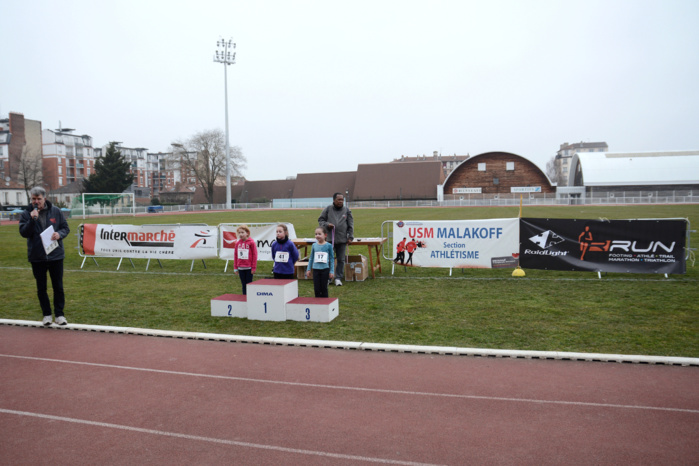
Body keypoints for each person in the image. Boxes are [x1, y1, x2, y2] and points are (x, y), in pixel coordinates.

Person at [19, 186, 70, 326]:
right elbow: (24, 233)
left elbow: (66, 228)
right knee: (41, 288)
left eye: (39, 199)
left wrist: (59, 235)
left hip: (56, 256)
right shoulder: (26, 213)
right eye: (33, 199)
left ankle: (59, 315)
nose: (36, 202)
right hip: (37, 257)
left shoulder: (56, 211)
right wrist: (32, 219)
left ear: (44, 199)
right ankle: (47, 314)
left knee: (58, 286)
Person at [318, 192, 353, 286]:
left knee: (341, 259)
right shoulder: (328, 209)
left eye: (342, 200)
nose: (341, 201)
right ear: (334, 200)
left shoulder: (346, 210)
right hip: (329, 240)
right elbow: (320, 220)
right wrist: (326, 225)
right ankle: (329, 278)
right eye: (339, 199)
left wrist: (350, 237)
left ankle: (338, 278)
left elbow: (350, 225)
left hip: (342, 240)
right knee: (329, 259)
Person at [305, 227, 334, 298]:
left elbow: (332, 259)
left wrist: (331, 271)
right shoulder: (314, 245)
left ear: (325, 235)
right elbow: (311, 257)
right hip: (316, 270)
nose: (317, 236)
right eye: (316, 234)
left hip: (325, 269)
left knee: (324, 288)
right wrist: (308, 269)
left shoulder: (329, 246)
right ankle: (317, 303)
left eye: (319, 234)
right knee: (317, 288)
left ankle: (325, 303)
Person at [233, 225, 257, 295]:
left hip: (249, 267)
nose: (240, 234)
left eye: (242, 232)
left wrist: (253, 267)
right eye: (239, 233)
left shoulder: (251, 243)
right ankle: (244, 298)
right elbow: (235, 255)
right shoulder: (237, 243)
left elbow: (254, 255)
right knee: (243, 284)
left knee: (249, 284)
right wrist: (235, 267)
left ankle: (250, 297)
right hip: (240, 267)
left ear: (247, 233)